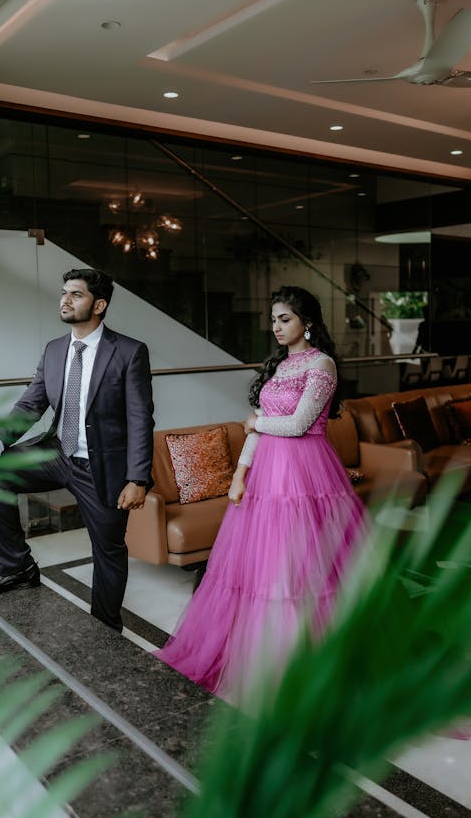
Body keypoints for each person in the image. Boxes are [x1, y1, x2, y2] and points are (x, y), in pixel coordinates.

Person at [156, 285, 366, 702]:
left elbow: (298, 424)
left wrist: (254, 424)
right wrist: (240, 472)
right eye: (273, 320)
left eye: (284, 319)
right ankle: (269, 657)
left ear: (307, 322)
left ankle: (307, 661)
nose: (276, 327)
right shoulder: (280, 365)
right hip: (267, 474)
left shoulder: (322, 365)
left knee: (305, 568)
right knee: (267, 568)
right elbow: (264, 421)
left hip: (306, 475)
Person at [0, 268, 154, 633]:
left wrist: (137, 478)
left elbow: (141, 419)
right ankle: (16, 568)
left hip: (102, 465)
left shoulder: (128, 353)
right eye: (64, 293)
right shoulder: (54, 349)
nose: (65, 300)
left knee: (108, 551)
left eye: (75, 295)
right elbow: (30, 405)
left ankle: (105, 629)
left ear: (98, 305)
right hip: (57, 453)